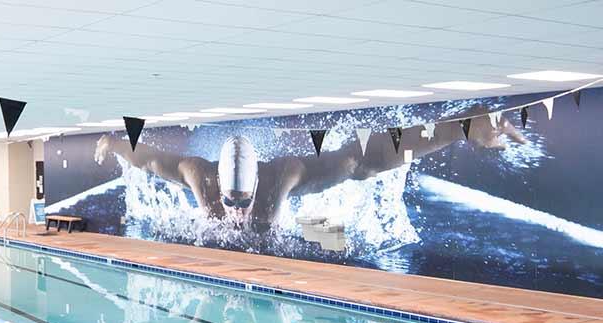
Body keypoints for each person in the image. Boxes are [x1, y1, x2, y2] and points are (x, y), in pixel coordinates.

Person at [94, 117, 524, 230]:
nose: (239, 212)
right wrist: (115, 143)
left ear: (260, 182)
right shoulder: (196, 173)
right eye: (232, 202)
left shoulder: (286, 175)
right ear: (217, 185)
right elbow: (149, 160)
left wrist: (461, 128)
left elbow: (363, 159)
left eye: (244, 201)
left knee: (357, 166)